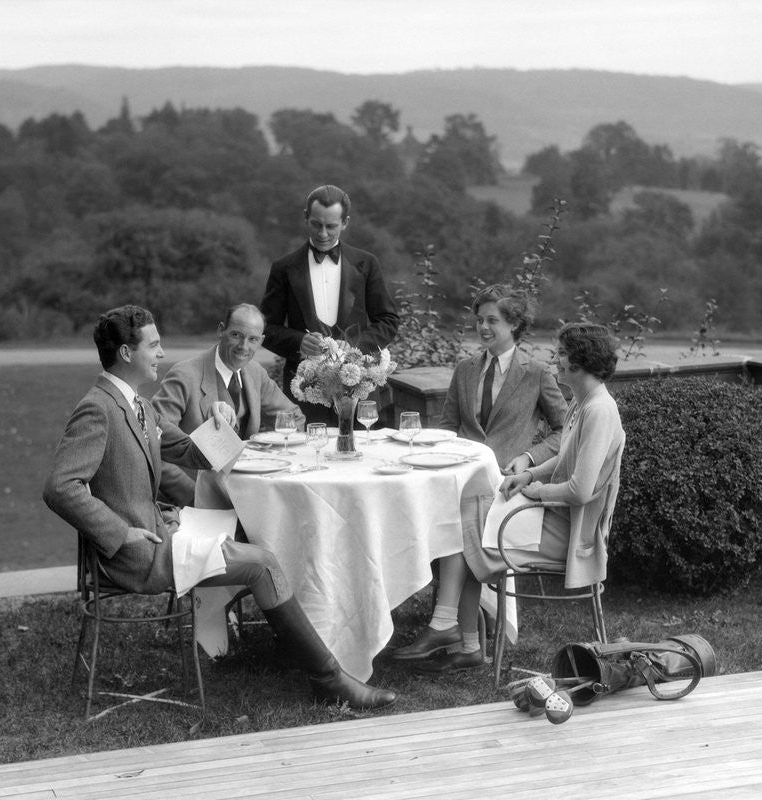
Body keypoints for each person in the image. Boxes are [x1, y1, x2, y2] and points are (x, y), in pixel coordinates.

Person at [43, 305, 396, 709]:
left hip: (164, 529)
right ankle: (331, 680)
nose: (161, 353)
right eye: (154, 345)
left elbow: (189, 452)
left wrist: (218, 424)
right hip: (140, 553)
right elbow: (61, 487)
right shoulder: (99, 407)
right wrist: (120, 533)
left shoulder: (136, 403)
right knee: (262, 561)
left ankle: (314, 657)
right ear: (126, 354)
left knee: (261, 537)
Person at [393, 322, 625, 674]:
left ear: (580, 361)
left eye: (562, 354)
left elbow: (580, 491)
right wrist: (529, 474)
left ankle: (452, 630)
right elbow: (564, 458)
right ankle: (459, 637)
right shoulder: (583, 401)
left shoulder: (599, 411)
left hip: (571, 532)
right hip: (553, 515)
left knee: (466, 522)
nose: (556, 360)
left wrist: (535, 491)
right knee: (467, 513)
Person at [260, 184, 399, 425]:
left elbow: (388, 321)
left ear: (345, 222)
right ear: (306, 217)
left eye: (331, 226)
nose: (323, 233)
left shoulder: (367, 264)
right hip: (303, 393)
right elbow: (266, 328)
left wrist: (355, 347)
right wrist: (298, 342)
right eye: (316, 224)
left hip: (359, 389)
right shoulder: (283, 268)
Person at [151, 303, 306, 506]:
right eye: (236, 335)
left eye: (253, 339)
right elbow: (153, 444)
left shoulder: (255, 372)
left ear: (261, 341)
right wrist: (194, 496)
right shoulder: (184, 376)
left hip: (251, 493)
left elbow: (293, 418)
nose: (244, 346)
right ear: (220, 330)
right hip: (195, 502)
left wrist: (268, 452)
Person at [438, 285, 566, 472]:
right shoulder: (464, 369)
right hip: (459, 474)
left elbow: (567, 430)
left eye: (492, 320)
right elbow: (448, 426)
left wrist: (529, 458)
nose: (483, 327)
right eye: (480, 320)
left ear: (514, 324)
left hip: (506, 480)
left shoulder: (537, 373)